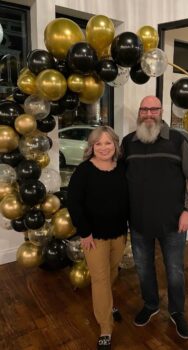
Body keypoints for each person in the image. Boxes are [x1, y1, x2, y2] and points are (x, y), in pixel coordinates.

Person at [121, 96, 188, 340]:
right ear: (139, 112)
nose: (149, 114)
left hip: (173, 223)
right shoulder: (129, 142)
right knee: (144, 269)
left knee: (175, 270)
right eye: (144, 109)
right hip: (138, 222)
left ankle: (177, 312)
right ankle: (150, 305)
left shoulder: (178, 140)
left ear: (161, 111)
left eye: (153, 109)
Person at [67, 126, 129, 350]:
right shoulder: (84, 171)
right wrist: (84, 232)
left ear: (116, 145)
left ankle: (108, 304)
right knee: (100, 279)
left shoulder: (121, 167)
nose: (103, 148)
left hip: (119, 233)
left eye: (108, 143)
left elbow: (128, 199)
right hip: (94, 237)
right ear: (92, 147)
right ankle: (106, 327)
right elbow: (73, 203)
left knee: (112, 273)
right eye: (98, 143)